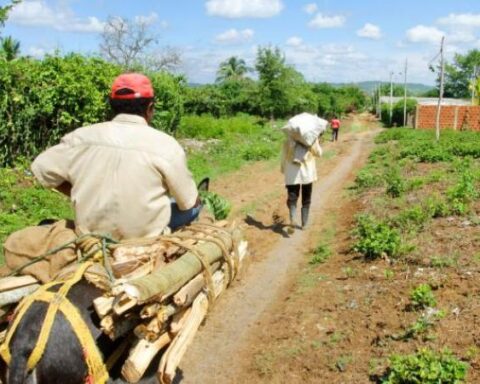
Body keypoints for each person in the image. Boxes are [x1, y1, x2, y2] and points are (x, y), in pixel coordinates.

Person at [31, 73, 200, 240]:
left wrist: (78, 190)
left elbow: (41, 168)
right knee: (196, 208)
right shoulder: (166, 145)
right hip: (145, 239)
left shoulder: (80, 138)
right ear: (150, 108)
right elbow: (188, 203)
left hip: (90, 235)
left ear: (111, 106)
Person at [281, 136, 322, 230]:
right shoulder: (311, 139)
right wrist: (317, 143)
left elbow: (283, 155)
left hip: (292, 173)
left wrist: (284, 169)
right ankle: (304, 224)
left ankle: (292, 217)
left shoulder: (288, 139)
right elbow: (319, 153)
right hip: (307, 173)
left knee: (292, 196)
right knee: (306, 197)